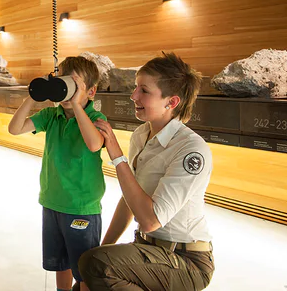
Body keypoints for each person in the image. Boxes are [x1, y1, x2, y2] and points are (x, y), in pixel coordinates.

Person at [78, 53, 215, 290]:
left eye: (144, 90)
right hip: (147, 249)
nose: (133, 96)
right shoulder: (141, 135)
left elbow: (150, 220)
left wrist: (116, 154)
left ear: (171, 102)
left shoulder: (191, 149)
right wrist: (103, 248)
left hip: (185, 262)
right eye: (135, 88)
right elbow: (130, 200)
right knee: (87, 275)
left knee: (95, 266)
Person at [8, 56, 107, 291]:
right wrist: (34, 96)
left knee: (84, 269)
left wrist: (75, 104)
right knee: (59, 263)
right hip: (52, 203)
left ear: (91, 92)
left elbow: (94, 144)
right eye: (62, 83)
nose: (66, 91)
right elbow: (15, 128)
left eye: (73, 85)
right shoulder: (52, 117)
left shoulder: (95, 118)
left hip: (81, 207)